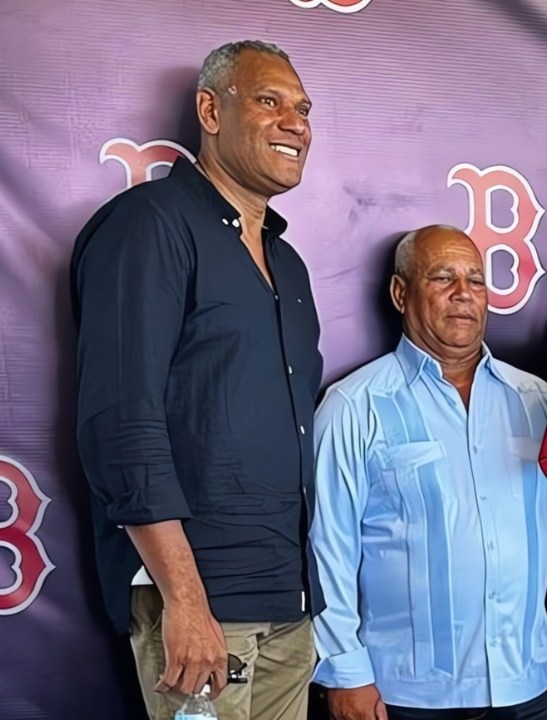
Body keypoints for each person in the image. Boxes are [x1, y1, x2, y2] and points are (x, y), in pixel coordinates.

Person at [70, 40, 321, 720]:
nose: (295, 123)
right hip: (200, 609)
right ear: (210, 109)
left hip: (288, 603)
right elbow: (121, 422)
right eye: (270, 102)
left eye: (303, 108)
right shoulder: (148, 225)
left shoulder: (288, 264)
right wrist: (184, 599)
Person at [310, 225, 547, 720]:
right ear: (401, 293)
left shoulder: (537, 402)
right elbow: (327, 549)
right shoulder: (353, 406)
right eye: (443, 277)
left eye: (476, 280)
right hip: (404, 697)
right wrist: (345, 672)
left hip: (523, 688)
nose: (464, 294)